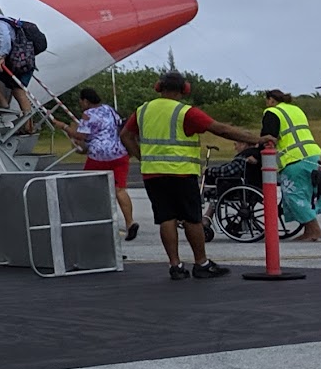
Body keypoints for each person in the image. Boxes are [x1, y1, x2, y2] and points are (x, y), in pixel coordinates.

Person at [121, 72, 260, 279]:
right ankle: (201, 262)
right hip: (181, 173)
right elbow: (220, 129)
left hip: (153, 174)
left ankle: (175, 266)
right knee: (192, 219)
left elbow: (125, 135)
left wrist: (143, 157)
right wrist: (255, 138)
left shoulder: (143, 110)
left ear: (159, 87)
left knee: (166, 218)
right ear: (184, 89)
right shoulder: (185, 112)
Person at [71, 86, 139, 241]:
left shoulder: (88, 114)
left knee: (87, 185)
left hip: (99, 155)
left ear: (86, 101)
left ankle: (90, 219)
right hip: (118, 152)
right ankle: (130, 222)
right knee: (120, 190)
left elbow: (81, 136)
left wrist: (66, 128)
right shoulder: (109, 109)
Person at [259, 88, 321, 243]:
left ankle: (315, 230)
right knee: (308, 195)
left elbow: (268, 137)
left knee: (294, 196)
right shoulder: (296, 110)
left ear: (271, 100)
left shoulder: (272, 112)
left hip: (293, 159)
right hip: (314, 154)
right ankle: (309, 230)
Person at [0, 3, 34, 117]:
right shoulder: (8, 20)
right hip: (23, 59)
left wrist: (2, 57)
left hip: (12, 59)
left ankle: (4, 104)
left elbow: (5, 39)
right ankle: (28, 125)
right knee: (17, 90)